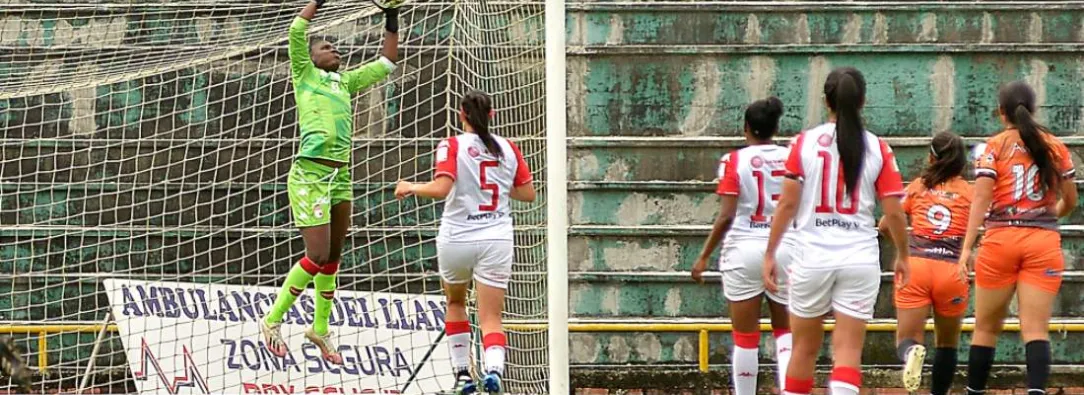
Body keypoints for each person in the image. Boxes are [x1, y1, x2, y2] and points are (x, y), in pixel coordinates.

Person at [260, 0, 401, 364]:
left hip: (341, 175)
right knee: (317, 254)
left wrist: (391, 15)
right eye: (326, 47)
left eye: (335, 46)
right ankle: (272, 320)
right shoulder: (304, 75)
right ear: (310, 58)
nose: (334, 49)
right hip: (310, 175)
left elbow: (386, 62)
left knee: (334, 257)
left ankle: (320, 329)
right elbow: (295, 31)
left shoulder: (345, 81)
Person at [762, 67, 911, 395]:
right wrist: (902, 254)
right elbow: (894, 211)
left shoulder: (803, 142)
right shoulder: (878, 148)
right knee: (847, 353)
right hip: (859, 257)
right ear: (864, 101)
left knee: (803, 350)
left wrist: (770, 252)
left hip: (811, 255)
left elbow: (786, 205)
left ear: (824, 100)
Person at [395, 90, 536, 395]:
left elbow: (442, 188)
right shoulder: (509, 148)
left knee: (456, 302)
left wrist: (411, 187)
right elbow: (528, 193)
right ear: (492, 115)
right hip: (496, 239)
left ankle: (462, 375)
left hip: (457, 238)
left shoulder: (452, 144)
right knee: (491, 316)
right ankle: (494, 371)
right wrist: (495, 188)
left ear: (462, 115)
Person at [961, 81, 1077, 395]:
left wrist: (966, 248)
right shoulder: (1054, 145)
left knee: (985, 328)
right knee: (1036, 329)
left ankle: (975, 392)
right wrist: (1050, 212)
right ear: (1033, 109)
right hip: (1042, 242)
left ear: (1001, 113)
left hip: (1001, 239)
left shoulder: (992, 147)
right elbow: (1071, 200)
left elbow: (982, 199)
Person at [691, 97, 793, 395]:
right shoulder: (792, 157)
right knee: (786, 335)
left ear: (746, 127)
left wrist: (703, 256)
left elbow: (726, 215)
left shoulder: (733, 161)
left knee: (745, 338)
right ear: (776, 127)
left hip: (743, 249)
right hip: (785, 249)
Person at [882, 132, 972, 394]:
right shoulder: (969, 192)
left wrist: (901, 251)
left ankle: (911, 352)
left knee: (906, 339)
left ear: (932, 156)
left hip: (916, 266)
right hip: (951, 268)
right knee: (947, 344)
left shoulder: (918, 187)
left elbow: (886, 223)